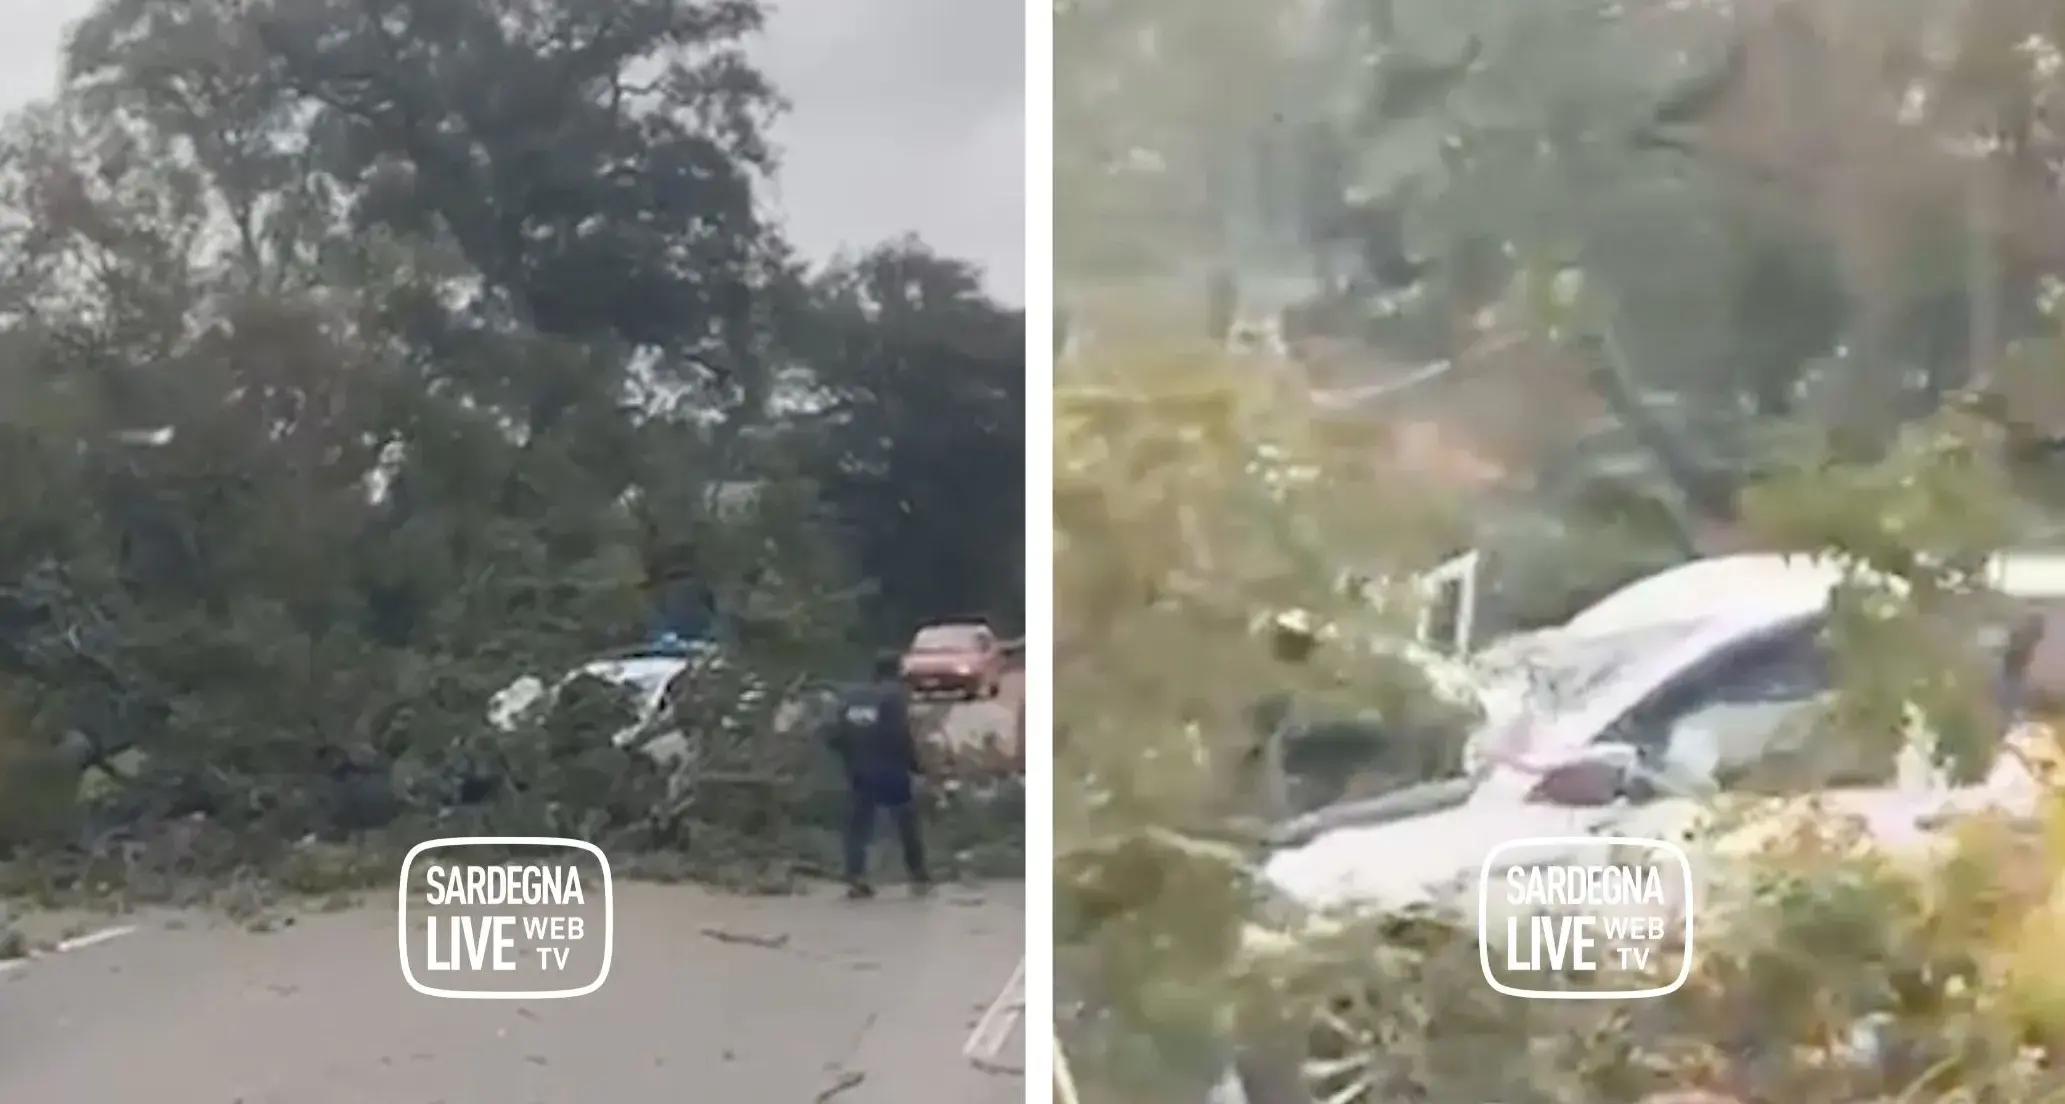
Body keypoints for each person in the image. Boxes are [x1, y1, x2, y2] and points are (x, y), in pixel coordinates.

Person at [827, 651, 931, 898]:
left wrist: (850, 762)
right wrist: (916, 766)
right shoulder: (894, 697)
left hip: (859, 772)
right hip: (891, 772)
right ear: (897, 673)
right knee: (906, 824)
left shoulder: (852, 697)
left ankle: (855, 877)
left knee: (858, 827)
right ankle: (918, 877)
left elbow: (834, 736)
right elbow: (899, 737)